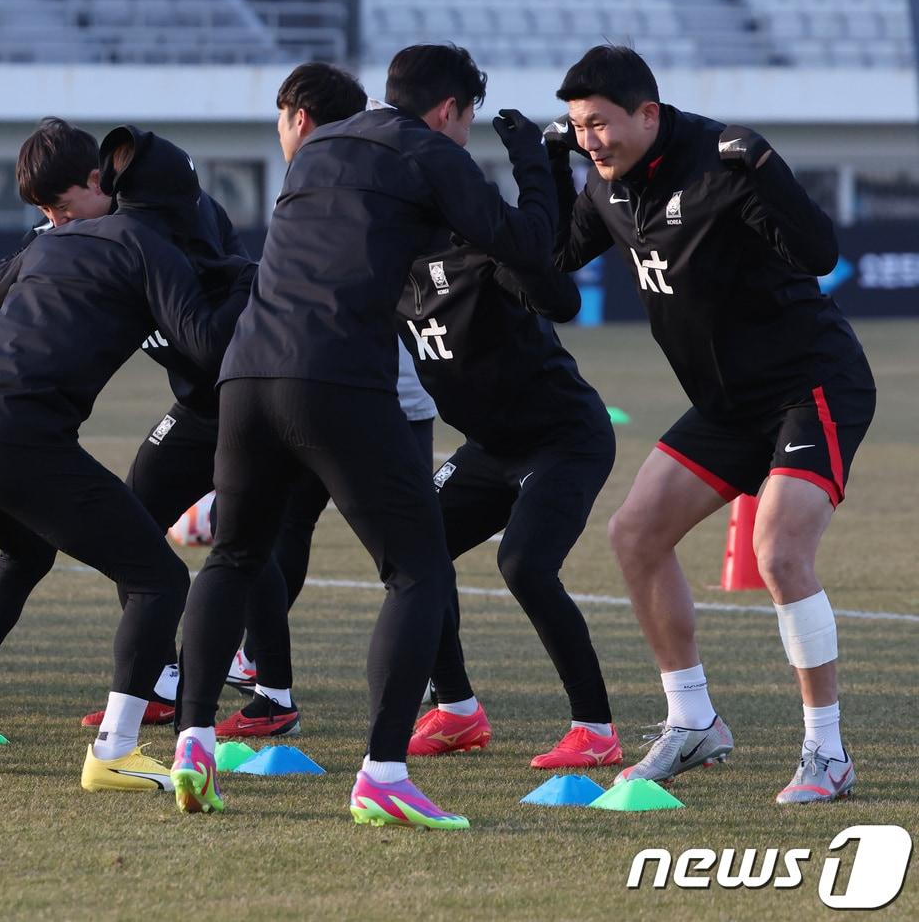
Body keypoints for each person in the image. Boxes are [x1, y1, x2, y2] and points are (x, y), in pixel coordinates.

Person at [170, 43, 555, 829]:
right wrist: (534, 164)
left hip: (246, 373)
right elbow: (524, 247)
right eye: (468, 119)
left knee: (234, 554)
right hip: (337, 373)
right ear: (449, 110)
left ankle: (193, 741)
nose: (465, 131)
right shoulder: (429, 150)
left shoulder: (317, 149)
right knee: (417, 572)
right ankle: (382, 770)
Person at [549, 45, 874, 803]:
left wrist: (764, 164)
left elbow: (819, 250)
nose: (589, 139)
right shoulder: (608, 187)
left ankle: (828, 751)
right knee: (634, 533)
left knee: (778, 550)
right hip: (729, 405)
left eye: (600, 123)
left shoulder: (721, 163)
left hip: (810, 383)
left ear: (649, 115)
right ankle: (692, 721)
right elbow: (554, 262)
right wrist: (539, 165)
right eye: (577, 126)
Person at [0, 127, 241, 793]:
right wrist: (255, 282)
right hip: (18, 440)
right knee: (159, 580)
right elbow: (209, 346)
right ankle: (117, 748)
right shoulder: (151, 245)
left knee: (25, 552)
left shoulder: (53, 241)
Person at [223, 63, 441, 739]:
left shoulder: (339, 168)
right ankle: (267, 677)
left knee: (410, 558)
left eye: (280, 122)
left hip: (378, 391)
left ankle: (443, 692)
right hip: (339, 383)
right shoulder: (357, 165)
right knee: (293, 537)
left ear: (301, 119)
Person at [394, 237, 620, 769]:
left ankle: (595, 729)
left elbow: (556, 290)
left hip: (565, 440)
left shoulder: (477, 257)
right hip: (488, 449)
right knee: (412, 550)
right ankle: (456, 712)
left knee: (525, 565)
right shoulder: (378, 270)